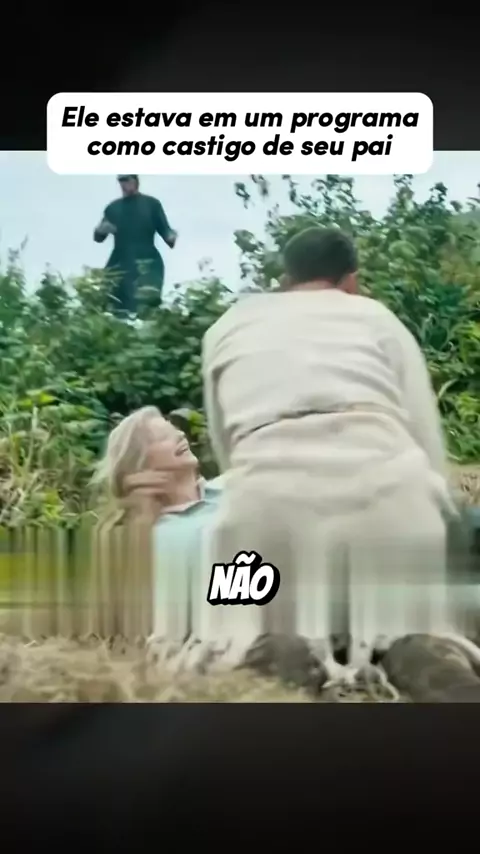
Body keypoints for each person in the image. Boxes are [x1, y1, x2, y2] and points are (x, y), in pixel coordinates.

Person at [201, 225, 458, 683]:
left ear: (285, 279)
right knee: (420, 611)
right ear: (351, 281)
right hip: (391, 497)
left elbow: (228, 450)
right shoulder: (376, 317)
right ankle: (406, 649)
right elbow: (425, 437)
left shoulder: (226, 327)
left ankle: (259, 647)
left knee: (227, 612)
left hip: (262, 509)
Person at [92, 406, 224, 654]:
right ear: (141, 463)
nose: (180, 436)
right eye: (164, 437)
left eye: (175, 431)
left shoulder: (235, 486)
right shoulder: (148, 538)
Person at [93, 175, 177, 314]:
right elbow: (98, 237)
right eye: (122, 180)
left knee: (147, 302)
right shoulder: (113, 208)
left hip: (147, 260)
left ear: (136, 181)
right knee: (112, 301)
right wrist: (101, 230)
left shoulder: (152, 204)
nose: (125, 184)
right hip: (120, 261)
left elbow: (165, 231)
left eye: (128, 180)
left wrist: (171, 236)